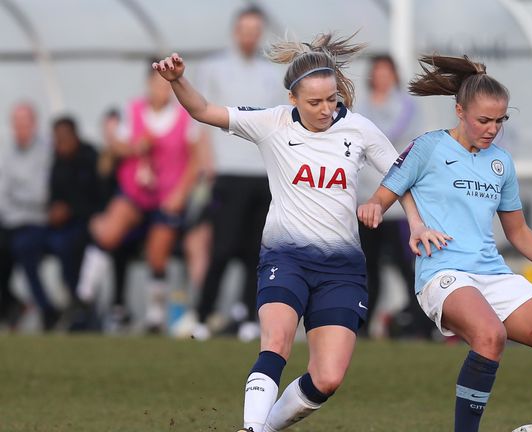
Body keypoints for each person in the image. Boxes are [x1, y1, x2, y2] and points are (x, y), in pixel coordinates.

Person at [153, 32, 423, 432]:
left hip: (342, 268)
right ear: (293, 98)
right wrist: (177, 80)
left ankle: (263, 428)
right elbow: (204, 110)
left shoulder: (360, 130)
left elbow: (400, 174)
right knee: (276, 342)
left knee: (328, 377)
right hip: (286, 258)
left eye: (332, 99)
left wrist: (413, 221)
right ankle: (251, 427)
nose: (326, 109)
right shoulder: (272, 123)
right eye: (314, 102)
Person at [359, 54, 532, 432]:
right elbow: (383, 196)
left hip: (493, 274)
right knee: (489, 336)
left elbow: (518, 232)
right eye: (484, 120)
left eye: (500, 121)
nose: (492, 129)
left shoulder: (502, 163)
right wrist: (372, 208)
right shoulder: (429, 147)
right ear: (460, 111)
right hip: (442, 273)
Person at [77, 60, 200, 332]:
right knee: (108, 233)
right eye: (157, 84)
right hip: (134, 191)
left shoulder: (184, 116)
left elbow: (195, 160)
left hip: (167, 196)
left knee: (158, 255)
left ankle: (155, 316)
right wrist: (133, 147)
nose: (162, 90)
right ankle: (82, 296)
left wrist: (181, 193)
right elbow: (117, 147)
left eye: (167, 85)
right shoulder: (132, 110)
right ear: (148, 83)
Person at [190, 5, 285, 342]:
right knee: (221, 248)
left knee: (255, 251)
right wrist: (208, 168)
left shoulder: (271, 73)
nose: (249, 36)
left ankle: (247, 315)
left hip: (261, 173)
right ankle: (202, 314)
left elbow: (278, 125)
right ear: (235, 31)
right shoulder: (213, 67)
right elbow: (199, 120)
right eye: (245, 29)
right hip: (227, 173)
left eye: (255, 30)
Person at [355, 54, 431, 338]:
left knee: (406, 267)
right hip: (365, 201)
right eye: (378, 72)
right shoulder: (360, 108)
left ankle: (421, 322)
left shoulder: (407, 107)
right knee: (367, 267)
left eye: (388, 72)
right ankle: (363, 325)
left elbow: (399, 143)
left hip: (397, 204)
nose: (382, 77)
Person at [0, 102, 58, 330]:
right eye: (16, 124)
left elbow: (41, 195)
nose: (20, 129)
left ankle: (47, 310)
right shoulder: (7, 153)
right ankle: (12, 304)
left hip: (36, 222)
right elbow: (3, 193)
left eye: (25, 123)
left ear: (34, 124)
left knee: (25, 250)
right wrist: (18, 196)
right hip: (9, 220)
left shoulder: (46, 152)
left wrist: (17, 193)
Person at [47, 116, 101, 302]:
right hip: (63, 227)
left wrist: (70, 210)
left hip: (89, 223)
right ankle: (73, 299)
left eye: (64, 137)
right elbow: (53, 197)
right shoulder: (56, 162)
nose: (60, 143)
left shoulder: (91, 157)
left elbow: (99, 198)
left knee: (73, 247)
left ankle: (83, 303)